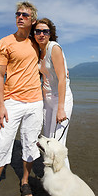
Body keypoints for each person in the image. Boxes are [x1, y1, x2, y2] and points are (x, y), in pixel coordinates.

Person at [0, 2, 43, 196]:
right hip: (12, 102)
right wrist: (1, 106)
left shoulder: (37, 41)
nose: (20, 17)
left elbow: (49, 59)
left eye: (25, 15)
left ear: (32, 20)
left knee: (29, 144)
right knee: (2, 145)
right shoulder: (5, 42)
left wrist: (63, 71)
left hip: (35, 102)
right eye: (18, 14)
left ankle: (25, 181)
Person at [33, 18, 73, 169]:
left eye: (45, 31)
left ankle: (66, 185)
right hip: (47, 101)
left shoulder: (54, 48)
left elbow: (62, 79)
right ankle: (53, 178)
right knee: (48, 141)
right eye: (38, 31)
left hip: (60, 100)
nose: (41, 34)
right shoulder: (39, 52)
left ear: (51, 34)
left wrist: (61, 108)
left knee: (58, 146)